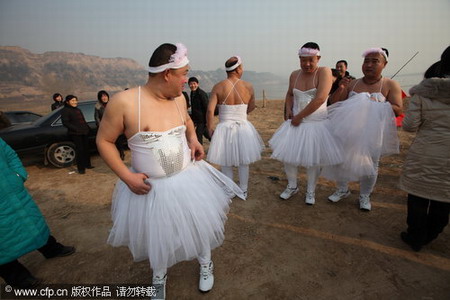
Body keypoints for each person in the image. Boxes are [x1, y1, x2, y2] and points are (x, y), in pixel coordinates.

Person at [96, 43, 244, 298]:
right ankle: (159, 275)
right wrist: (126, 176)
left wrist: (194, 140)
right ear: (167, 73)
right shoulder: (125, 102)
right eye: (183, 73)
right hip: (152, 187)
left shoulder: (178, 99)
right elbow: (104, 141)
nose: (186, 80)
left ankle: (206, 263)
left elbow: (186, 121)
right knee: (160, 232)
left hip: (189, 178)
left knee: (199, 224)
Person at [324, 47, 402, 211]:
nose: (369, 65)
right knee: (342, 160)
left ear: (384, 64)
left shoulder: (390, 84)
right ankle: (342, 189)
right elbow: (334, 102)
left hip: (374, 133)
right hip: (349, 129)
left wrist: (380, 104)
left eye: (375, 61)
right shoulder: (353, 83)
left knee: (371, 164)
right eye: (366, 61)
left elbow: (398, 109)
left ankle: (365, 195)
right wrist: (341, 88)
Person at [269, 42, 343, 205]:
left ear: (318, 58)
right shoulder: (294, 74)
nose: (307, 64)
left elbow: (321, 98)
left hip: (316, 123)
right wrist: (289, 109)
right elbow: (289, 94)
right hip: (296, 121)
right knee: (288, 157)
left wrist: (299, 116)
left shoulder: (324, 71)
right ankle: (292, 186)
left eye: (311, 60)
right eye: (303, 60)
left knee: (312, 160)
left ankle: (311, 191)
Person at [0, 138, 75, 288]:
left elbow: (10, 154)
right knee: (2, 241)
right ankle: (18, 278)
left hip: (14, 192)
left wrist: (18, 175)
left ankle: (51, 249)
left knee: (32, 221)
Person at [399, 46, 450, 252]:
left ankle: (415, 236)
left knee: (418, 197)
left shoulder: (423, 93)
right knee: (444, 199)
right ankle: (430, 234)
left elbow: (409, 126)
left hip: (425, 153)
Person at [206, 56, 264, 199]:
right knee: (244, 160)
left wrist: (209, 128)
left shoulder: (218, 86)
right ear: (238, 69)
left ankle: (230, 189)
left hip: (224, 127)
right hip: (243, 127)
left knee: (226, 160)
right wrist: (241, 112)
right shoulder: (248, 86)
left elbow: (209, 110)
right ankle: (243, 189)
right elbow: (251, 107)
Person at [61, 95, 93, 174]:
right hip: (76, 133)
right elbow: (65, 123)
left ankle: (87, 164)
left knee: (86, 149)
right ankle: (81, 168)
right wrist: (76, 129)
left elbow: (83, 120)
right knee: (80, 150)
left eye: (75, 100)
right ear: (68, 102)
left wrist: (87, 128)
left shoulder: (78, 109)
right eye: (72, 101)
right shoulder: (65, 110)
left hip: (84, 132)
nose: (75, 102)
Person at [95, 90, 126, 160]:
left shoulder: (113, 103)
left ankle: (121, 153)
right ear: (100, 98)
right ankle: (114, 156)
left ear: (107, 96)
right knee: (111, 143)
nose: (104, 98)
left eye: (105, 96)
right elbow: (97, 118)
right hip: (106, 127)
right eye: (102, 96)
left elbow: (119, 113)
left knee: (119, 141)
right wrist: (101, 126)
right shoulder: (98, 106)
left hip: (116, 126)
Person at [189, 77, 211, 144]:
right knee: (207, 134)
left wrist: (208, 120)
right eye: (191, 84)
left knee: (198, 135)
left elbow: (207, 107)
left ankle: (200, 151)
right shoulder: (192, 93)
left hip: (202, 120)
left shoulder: (201, 94)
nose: (193, 85)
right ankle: (217, 142)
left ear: (197, 84)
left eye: (194, 83)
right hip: (197, 120)